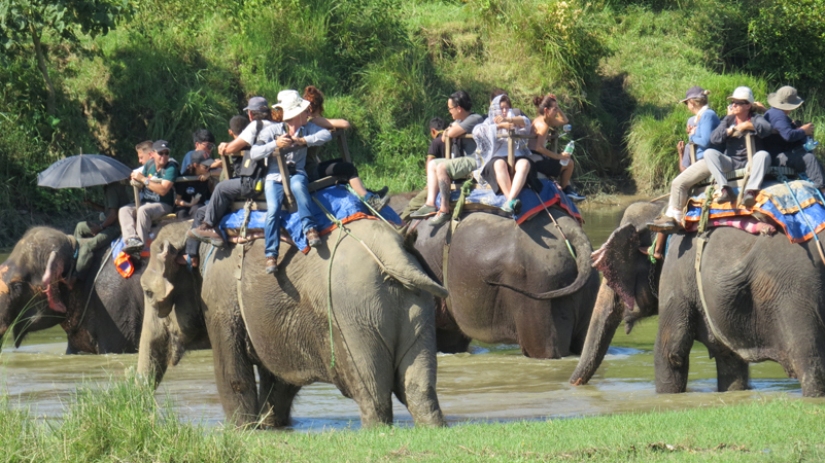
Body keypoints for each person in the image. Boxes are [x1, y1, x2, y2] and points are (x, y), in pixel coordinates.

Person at [650, 86, 771, 232]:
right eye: (733, 102)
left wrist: (747, 125)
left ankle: (751, 192)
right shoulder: (728, 120)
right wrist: (731, 130)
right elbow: (714, 138)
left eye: (738, 103)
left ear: (748, 105)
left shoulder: (756, 119)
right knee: (710, 153)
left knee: (763, 155)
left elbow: (767, 128)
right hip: (732, 161)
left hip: (750, 162)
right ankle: (725, 189)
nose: (733, 105)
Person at [250, 89, 332, 274]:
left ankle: (309, 228)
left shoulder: (307, 128)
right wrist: (275, 145)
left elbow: (325, 135)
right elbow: (255, 152)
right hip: (274, 177)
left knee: (299, 187)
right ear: (296, 114)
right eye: (303, 111)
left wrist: (302, 140)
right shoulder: (272, 130)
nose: (307, 113)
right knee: (273, 210)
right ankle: (271, 254)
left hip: (296, 172)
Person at [189, 97, 274, 250]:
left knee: (222, 188)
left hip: (256, 183)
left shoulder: (256, 125)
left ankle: (207, 228)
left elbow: (228, 150)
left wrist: (224, 146)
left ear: (251, 114)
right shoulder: (278, 126)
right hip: (273, 178)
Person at [302, 85, 388, 210]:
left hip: (311, 167)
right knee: (348, 168)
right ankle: (370, 200)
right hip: (311, 172)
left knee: (342, 163)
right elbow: (345, 123)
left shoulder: (308, 122)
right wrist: (329, 123)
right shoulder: (315, 121)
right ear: (320, 106)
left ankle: (369, 193)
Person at [409, 90, 484, 224]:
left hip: (476, 160)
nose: (449, 111)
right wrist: (452, 126)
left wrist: (452, 127)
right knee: (433, 164)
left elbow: (451, 133)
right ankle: (430, 203)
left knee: (443, 167)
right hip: (463, 160)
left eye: (450, 108)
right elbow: (444, 137)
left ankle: (444, 209)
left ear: (459, 108)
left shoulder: (474, 118)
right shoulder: (460, 121)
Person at [475, 93, 533, 213]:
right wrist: (499, 126)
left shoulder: (515, 118)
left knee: (525, 164)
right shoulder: (489, 121)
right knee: (499, 164)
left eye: (507, 107)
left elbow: (526, 122)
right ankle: (510, 199)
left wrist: (509, 120)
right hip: (497, 155)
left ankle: (510, 200)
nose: (505, 111)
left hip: (516, 153)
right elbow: (478, 132)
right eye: (501, 108)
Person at [119, 140, 179, 253]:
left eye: (167, 153)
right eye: (161, 153)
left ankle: (139, 248)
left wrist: (143, 179)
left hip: (163, 204)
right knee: (124, 210)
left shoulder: (171, 168)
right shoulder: (149, 165)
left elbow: (163, 190)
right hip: (147, 201)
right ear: (152, 154)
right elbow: (142, 183)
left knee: (143, 210)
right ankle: (131, 240)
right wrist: (135, 179)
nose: (164, 156)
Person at [762, 86, 824, 190]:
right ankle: (822, 190)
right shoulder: (779, 116)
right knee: (809, 158)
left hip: (779, 154)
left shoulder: (772, 112)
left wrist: (796, 128)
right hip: (778, 157)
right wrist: (803, 130)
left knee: (813, 159)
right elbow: (788, 135)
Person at [527, 93, 585, 200]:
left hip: (534, 155)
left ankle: (567, 188)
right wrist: (558, 156)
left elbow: (565, 120)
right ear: (546, 110)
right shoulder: (543, 125)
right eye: (555, 109)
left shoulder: (542, 119)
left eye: (557, 109)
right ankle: (565, 192)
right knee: (569, 163)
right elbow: (538, 147)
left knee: (564, 161)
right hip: (536, 158)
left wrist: (557, 107)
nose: (556, 112)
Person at [72, 181, 132, 280]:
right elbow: (107, 210)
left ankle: (76, 277)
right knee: (80, 226)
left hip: (115, 227)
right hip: (108, 223)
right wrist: (91, 204)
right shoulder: (109, 188)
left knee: (88, 247)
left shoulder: (111, 189)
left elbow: (113, 215)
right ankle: (75, 256)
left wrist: (101, 227)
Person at [174, 150, 215, 218]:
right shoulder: (185, 178)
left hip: (199, 204)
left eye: (209, 166)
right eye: (205, 167)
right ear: (196, 165)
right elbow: (177, 200)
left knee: (197, 210)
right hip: (185, 204)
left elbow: (222, 171)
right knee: (181, 213)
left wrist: (209, 174)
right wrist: (190, 204)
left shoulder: (207, 172)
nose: (208, 169)